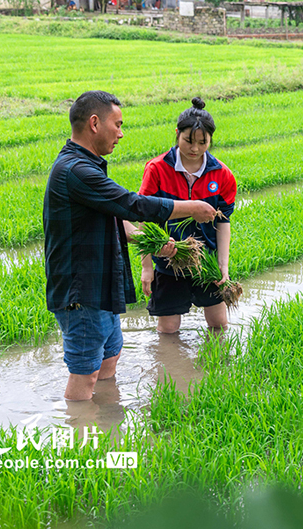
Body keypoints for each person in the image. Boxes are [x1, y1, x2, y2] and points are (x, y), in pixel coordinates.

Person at [44, 90, 218, 402]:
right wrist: (190, 207)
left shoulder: (88, 165)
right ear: (95, 123)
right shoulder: (76, 170)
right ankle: (81, 436)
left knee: (110, 357)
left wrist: (153, 242)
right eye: (118, 124)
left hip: (100, 287)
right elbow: (132, 205)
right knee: (86, 372)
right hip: (81, 291)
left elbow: (114, 215)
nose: (121, 133)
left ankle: (108, 425)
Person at [128, 97, 237, 339]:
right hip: (167, 263)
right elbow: (144, 219)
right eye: (188, 140)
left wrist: (223, 267)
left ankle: (216, 370)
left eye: (202, 142)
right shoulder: (157, 169)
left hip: (205, 261)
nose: (195, 148)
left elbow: (223, 222)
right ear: (177, 134)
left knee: (218, 325)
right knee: (167, 331)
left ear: (210, 139)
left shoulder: (222, 174)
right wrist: (147, 267)